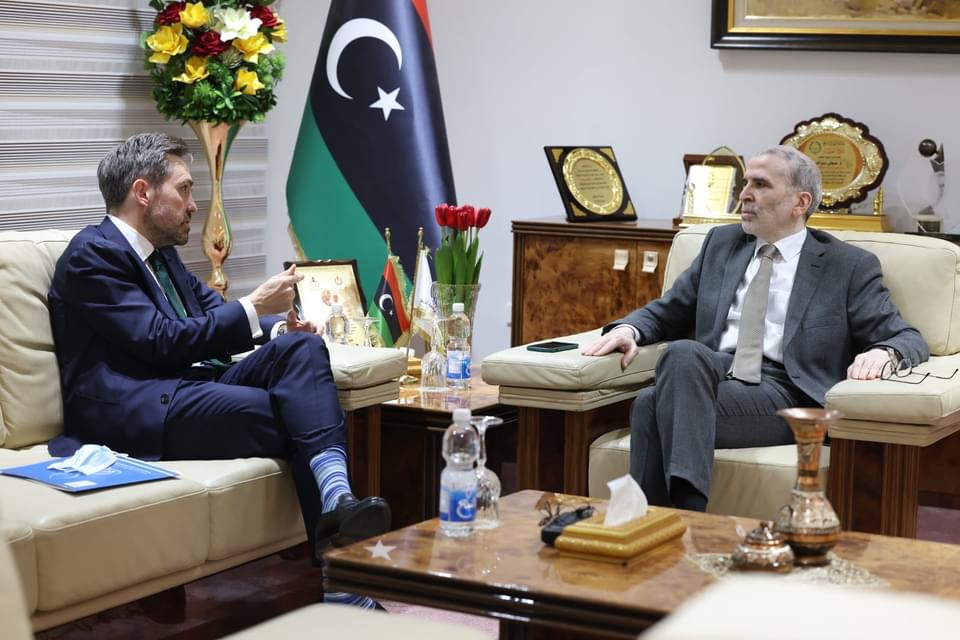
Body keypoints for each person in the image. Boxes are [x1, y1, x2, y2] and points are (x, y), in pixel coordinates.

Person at [48, 133, 389, 608]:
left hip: (184, 385)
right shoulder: (93, 255)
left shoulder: (161, 255)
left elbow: (213, 312)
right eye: (184, 190)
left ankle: (337, 499)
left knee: (301, 349)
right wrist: (253, 305)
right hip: (138, 406)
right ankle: (344, 582)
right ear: (143, 192)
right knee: (295, 412)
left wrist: (279, 326)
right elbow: (160, 341)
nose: (194, 205)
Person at [583, 145, 928, 511]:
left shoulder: (846, 266)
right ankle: (677, 519)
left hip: (785, 390)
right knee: (682, 354)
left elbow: (906, 338)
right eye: (746, 182)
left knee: (650, 404)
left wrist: (885, 352)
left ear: (800, 202)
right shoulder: (721, 244)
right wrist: (629, 330)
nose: (744, 194)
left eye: (760, 185)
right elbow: (670, 310)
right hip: (714, 373)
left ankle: (658, 518)